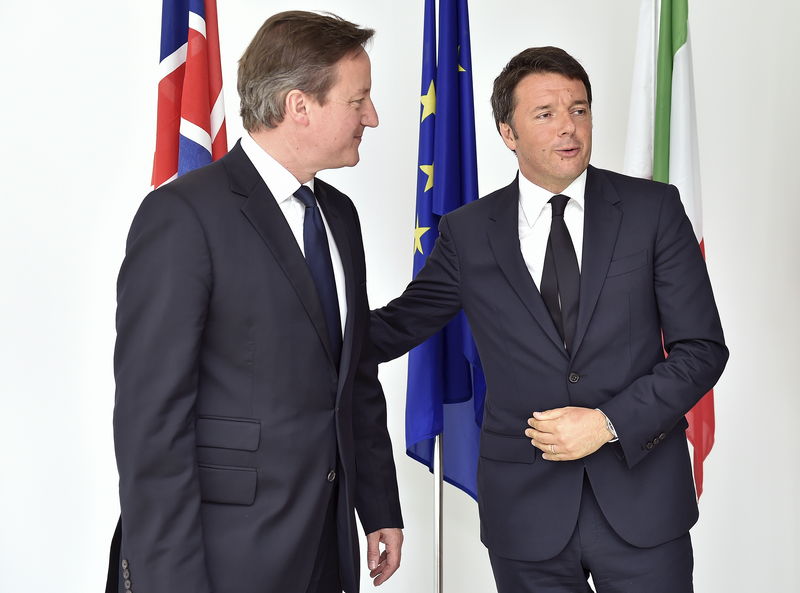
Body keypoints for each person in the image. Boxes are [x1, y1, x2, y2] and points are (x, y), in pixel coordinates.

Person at [370, 46, 727, 593]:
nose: (569, 127)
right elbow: (397, 325)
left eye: (579, 110)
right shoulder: (468, 232)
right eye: (546, 114)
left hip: (643, 504)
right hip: (525, 512)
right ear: (507, 133)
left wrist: (606, 423)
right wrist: (289, 320)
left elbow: (702, 349)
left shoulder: (653, 210)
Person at [108, 11, 403, 593]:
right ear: (299, 106)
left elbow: (353, 376)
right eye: (358, 100)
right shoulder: (184, 215)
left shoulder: (339, 217)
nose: (371, 116)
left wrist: (379, 505)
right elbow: (151, 424)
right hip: (220, 558)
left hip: (326, 546)